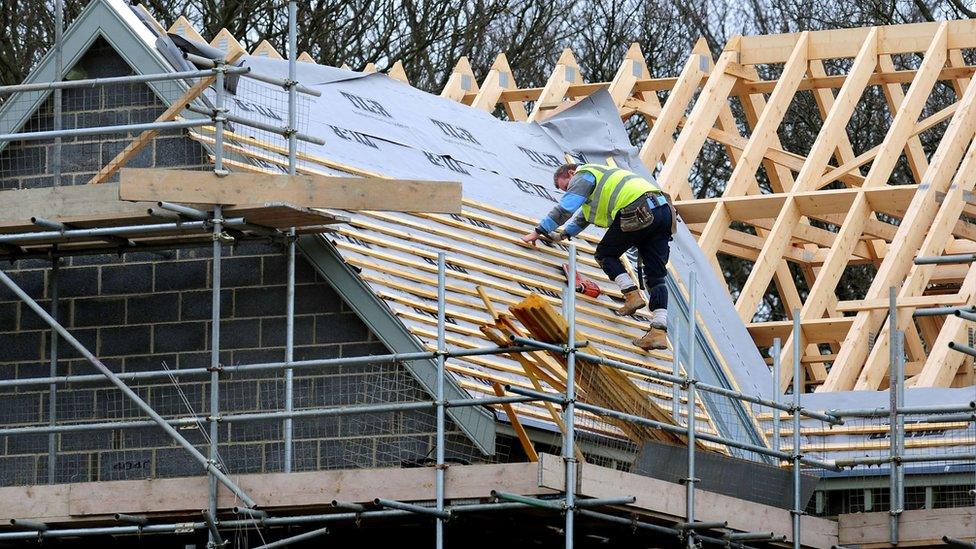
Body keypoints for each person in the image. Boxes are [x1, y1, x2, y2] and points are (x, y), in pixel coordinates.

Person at [521, 162, 676, 350]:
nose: (568, 192)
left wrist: (539, 230)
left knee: (605, 254)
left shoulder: (584, 174)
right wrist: (562, 235)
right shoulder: (603, 179)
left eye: (566, 187)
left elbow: (565, 209)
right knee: (656, 278)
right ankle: (659, 332)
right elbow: (584, 217)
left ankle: (632, 295)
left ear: (571, 172)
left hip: (639, 208)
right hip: (664, 211)